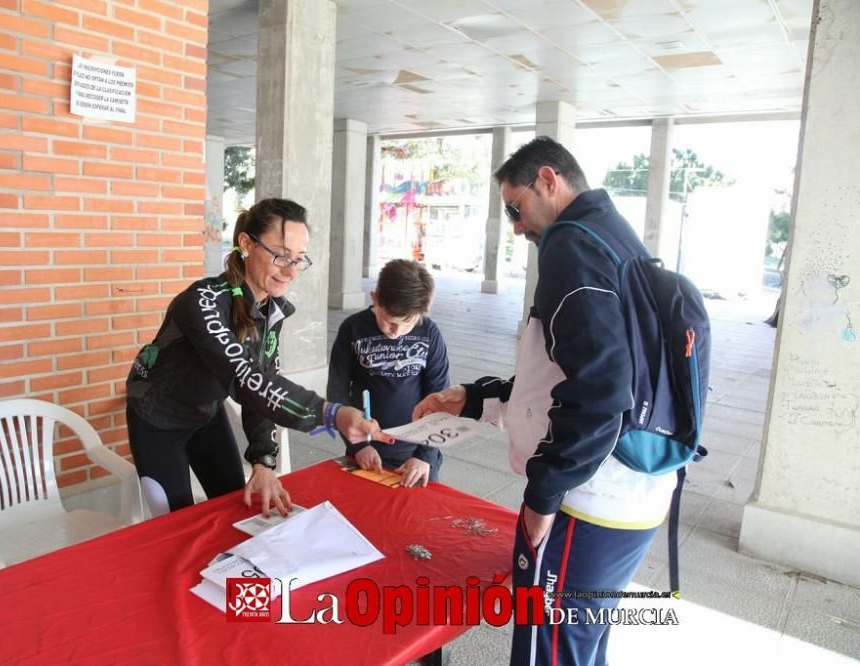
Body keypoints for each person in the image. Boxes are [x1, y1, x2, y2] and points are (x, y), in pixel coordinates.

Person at [414, 137, 676, 666]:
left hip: (592, 496)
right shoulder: (615, 240)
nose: (516, 225)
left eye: (516, 207)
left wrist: (542, 497)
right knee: (579, 646)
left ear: (549, 181)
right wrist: (476, 398)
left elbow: (600, 393)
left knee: (549, 652)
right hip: (635, 487)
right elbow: (563, 376)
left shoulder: (572, 245)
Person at [126, 198, 390, 518]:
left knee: (235, 506)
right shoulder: (202, 301)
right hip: (158, 419)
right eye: (280, 255)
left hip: (206, 414)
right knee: (174, 525)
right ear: (246, 244)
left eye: (299, 259)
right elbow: (247, 380)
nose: (290, 270)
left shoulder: (269, 310)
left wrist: (264, 460)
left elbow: (263, 379)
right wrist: (331, 414)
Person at [327, 259, 450, 488]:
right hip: (366, 447)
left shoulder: (429, 333)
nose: (397, 332)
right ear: (374, 298)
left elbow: (440, 400)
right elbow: (337, 393)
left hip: (417, 453)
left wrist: (425, 456)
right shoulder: (353, 329)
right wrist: (359, 446)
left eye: (408, 324)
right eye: (390, 322)